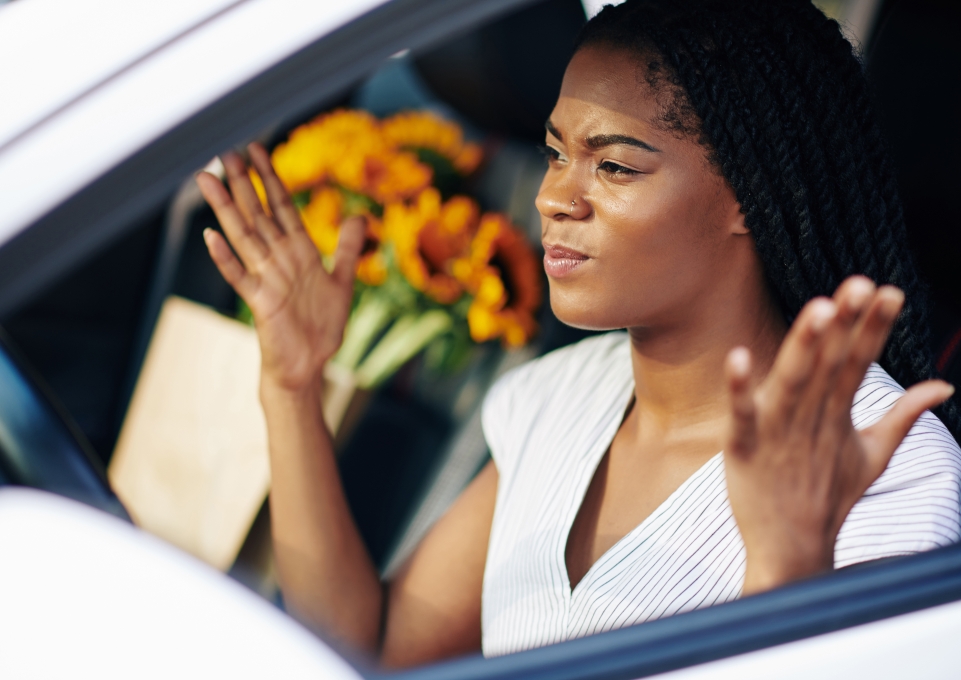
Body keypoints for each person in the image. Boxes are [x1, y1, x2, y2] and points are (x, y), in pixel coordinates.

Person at [195, 0, 961, 668]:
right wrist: (292, 385)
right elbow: (375, 653)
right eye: (557, 154)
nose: (556, 197)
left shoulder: (879, 460)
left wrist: (786, 565)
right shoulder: (558, 396)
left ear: (756, 196)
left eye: (616, 168)